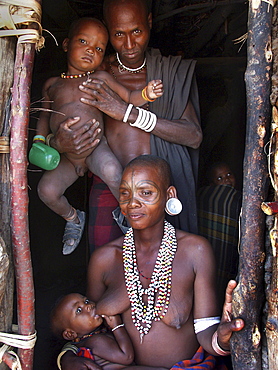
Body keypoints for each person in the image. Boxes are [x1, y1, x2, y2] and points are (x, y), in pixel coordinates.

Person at [59, 155, 244, 370]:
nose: (133, 203)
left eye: (146, 193)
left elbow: (206, 334)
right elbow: (88, 331)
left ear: (169, 195)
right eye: (125, 194)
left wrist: (221, 339)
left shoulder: (195, 251)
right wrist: (68, 356)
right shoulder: (104, 259)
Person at [48, 0, 203, 252]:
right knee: (107, 267)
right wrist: (57, 142)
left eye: (137, 32)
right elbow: (58, 116)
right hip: (109, 187)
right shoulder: (94, 73)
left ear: (149, 23)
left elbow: (193, 135)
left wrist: (127, 113)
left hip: (158, 187)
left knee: (164, 272)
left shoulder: (167, 74)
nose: (129, 44)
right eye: (119, 34)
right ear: (108, 32)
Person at [35, 16, 163, 254]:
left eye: (98, 48)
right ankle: (73, 218)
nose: (89, 50)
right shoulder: (52, 85)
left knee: (115, 173)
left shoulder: (101, 78)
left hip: (95, 147)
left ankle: (127, 218)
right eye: (83, 41)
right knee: (46, 191)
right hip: (66, 157)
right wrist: (41, 143)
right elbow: (43, 117)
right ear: (66, 44)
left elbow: (128, 96)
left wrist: (146, 93)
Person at [50, 293, 134, 370]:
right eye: (79, 310)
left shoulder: (89, 341)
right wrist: (117, 326)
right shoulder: (95, 341)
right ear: (70, 334)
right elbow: (127, 357)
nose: (88, 306)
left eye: (86, 301)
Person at [197, 162, 242, 305]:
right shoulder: (207, 197)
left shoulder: (240, 199)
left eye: (229, 175)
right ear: (212, 184)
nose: (226, 180)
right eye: (220, 178)